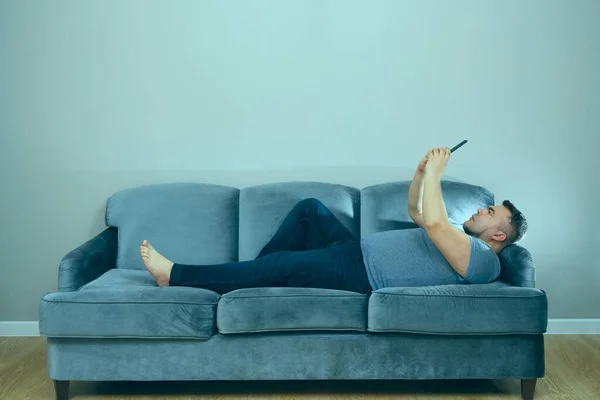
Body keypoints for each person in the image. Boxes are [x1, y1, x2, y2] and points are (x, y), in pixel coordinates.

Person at [140, 147, 528, 294]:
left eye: (489, 212)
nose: (480, 210)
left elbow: (438, 224)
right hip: (354, 250)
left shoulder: (483, 260)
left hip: (358, 272)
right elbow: (419, 214)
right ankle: (258, 274)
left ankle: (174, 275)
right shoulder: (464, 240)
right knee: (310, 208)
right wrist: (420, 173)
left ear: (498, 233)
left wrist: (437, 176)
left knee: (280, 265)